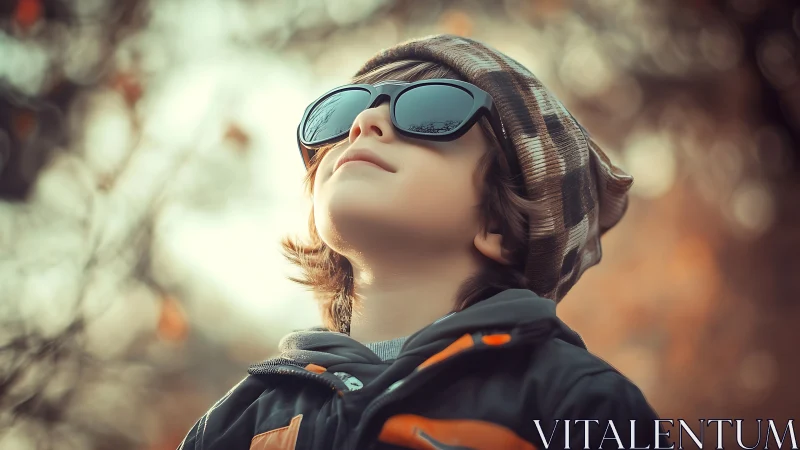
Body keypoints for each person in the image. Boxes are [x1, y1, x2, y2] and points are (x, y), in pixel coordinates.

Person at [177, 34, 669, 450]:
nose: (364, 124)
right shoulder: (237, 422)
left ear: (499, 224)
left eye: (431, 112)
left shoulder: (576, 403)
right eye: (347, 110)